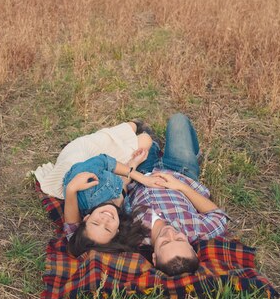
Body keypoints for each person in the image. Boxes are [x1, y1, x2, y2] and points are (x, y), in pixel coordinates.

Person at [64, 113, 230, 276]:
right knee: (178, 120)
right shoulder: (198, 230)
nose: (169, 233)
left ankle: (153, 144)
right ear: (193, 250)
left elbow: (77, 237)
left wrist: (71, 191)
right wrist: (180, 186)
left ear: (154, 258)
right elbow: (218, 215)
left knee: (144, 141)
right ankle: (188, 154)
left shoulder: (134, 238)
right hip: (180, 170)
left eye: (164, 242)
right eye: (179, 239)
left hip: (140, 170)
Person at [33, 121, 161, 200]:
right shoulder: (116, 203)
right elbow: (122, 184)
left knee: (133, 129)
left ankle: (134, 126)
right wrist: (134, 163)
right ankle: (135, 129)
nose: (105, 219)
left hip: (79, 159)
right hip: (97, 160)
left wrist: (141, 177)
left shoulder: (84, 197)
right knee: (145, 140)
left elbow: (104, 161)